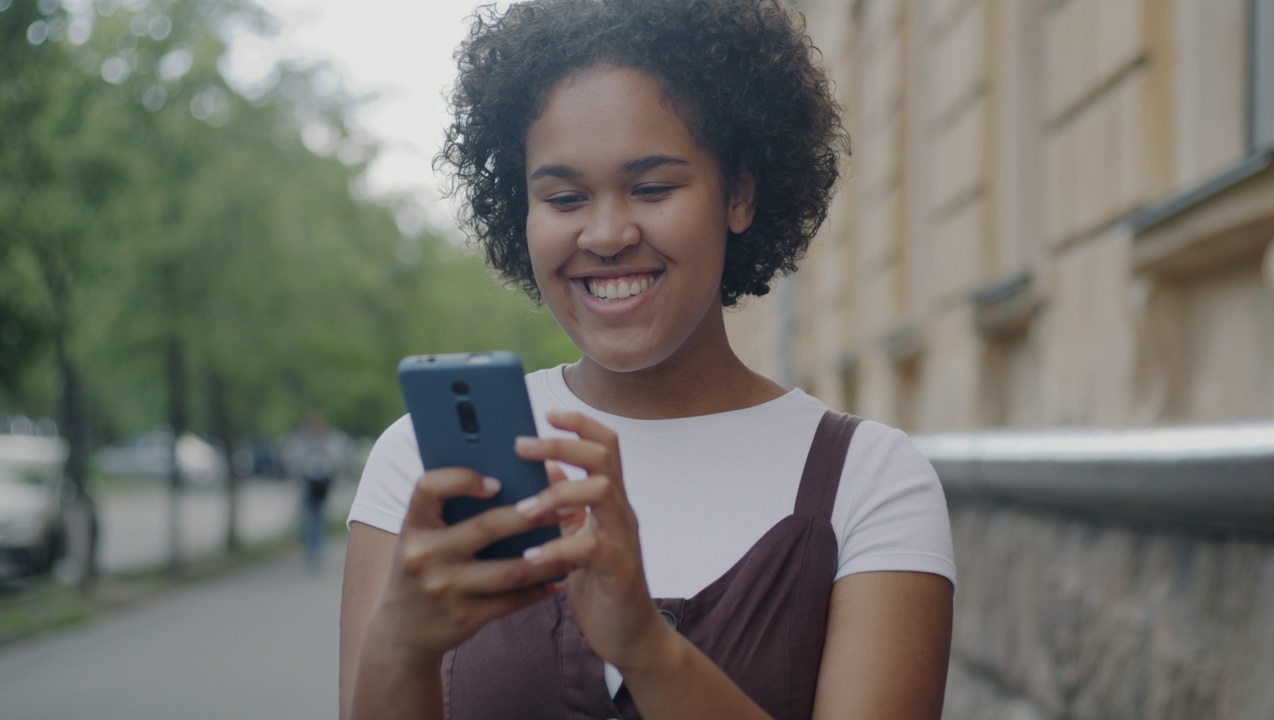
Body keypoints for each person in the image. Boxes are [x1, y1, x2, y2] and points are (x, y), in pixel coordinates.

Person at [340, 1, 955, 717]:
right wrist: (402, 646)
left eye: (654, 188)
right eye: (564, 197)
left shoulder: (871, 482)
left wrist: (644, 644)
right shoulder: (421, 464)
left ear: (741, 193)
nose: (604, 233)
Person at [283, 411, 349, 569]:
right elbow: (291, 460)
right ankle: (312, 551)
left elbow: (339, 459)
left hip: (323, 486)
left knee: (318, 519)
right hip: (307, 485)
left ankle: (316, 551)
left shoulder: (331, 440)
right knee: (310, 519)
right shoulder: (301, 441)